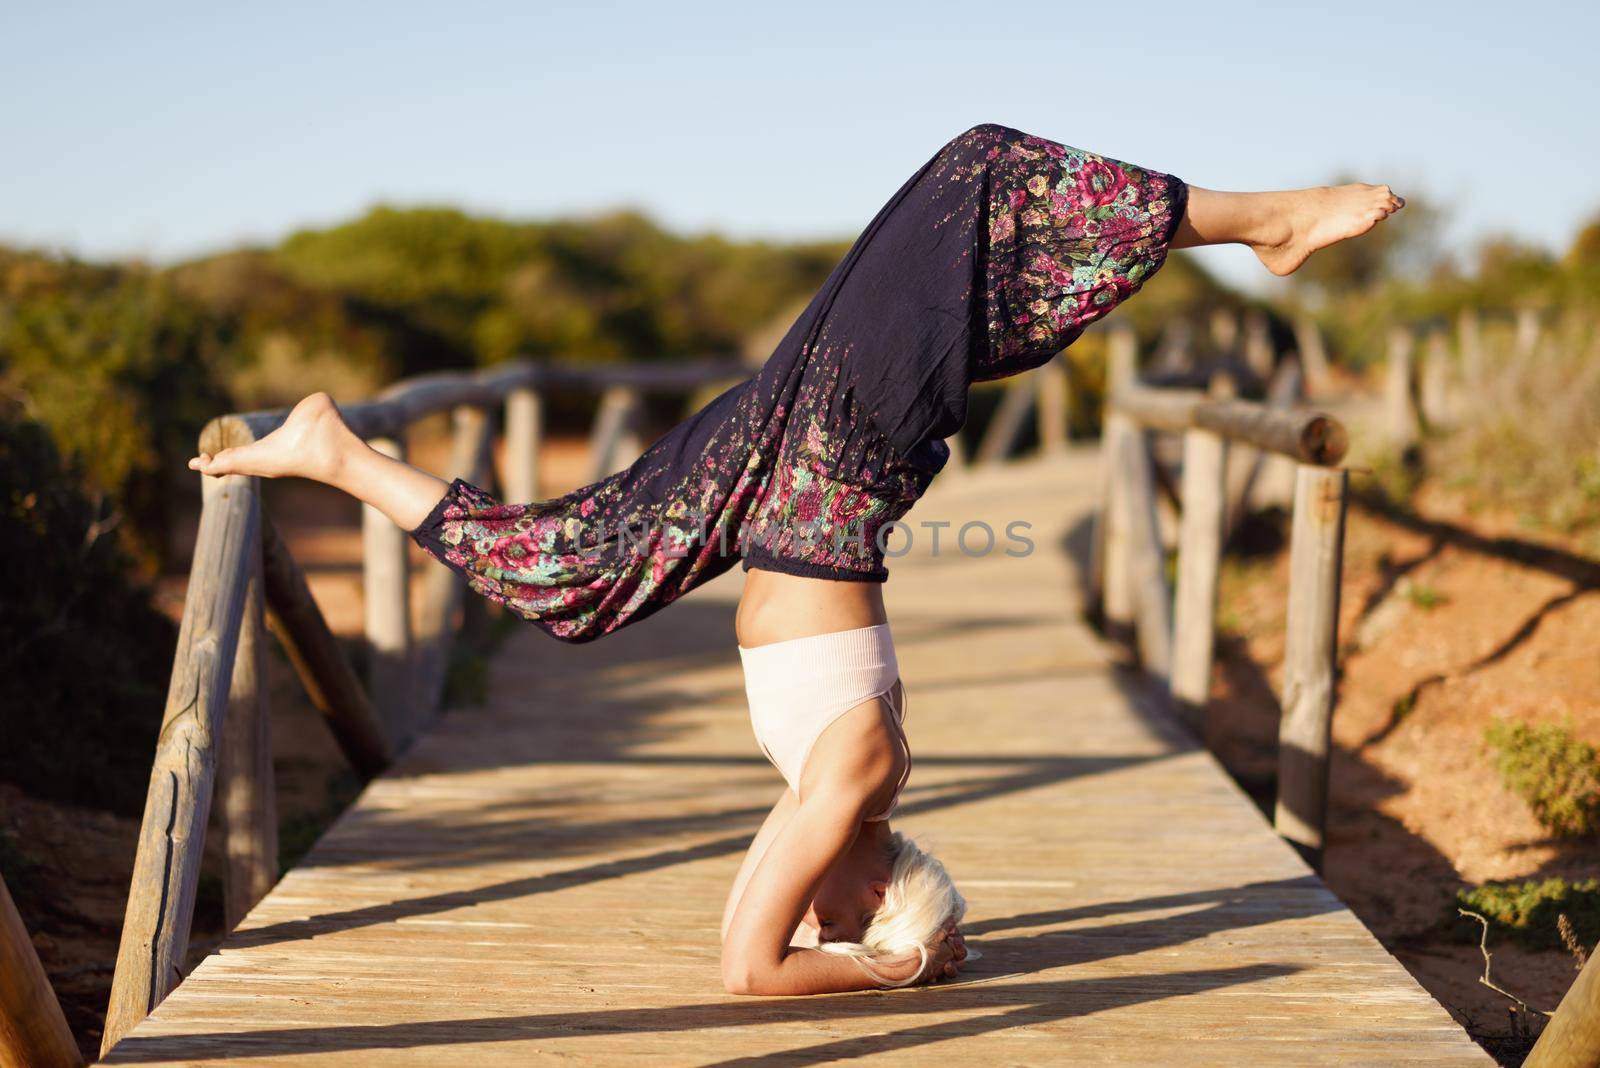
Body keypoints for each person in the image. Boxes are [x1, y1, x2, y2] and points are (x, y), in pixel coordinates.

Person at [188, 122, 1402, 995]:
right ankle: (1267, 222)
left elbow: (743, 954)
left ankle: (335, 454)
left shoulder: (841, 797)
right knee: (981, 174)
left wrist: (868, 965)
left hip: (786, 486)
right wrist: (885, 968)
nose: (805, 908)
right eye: (840, 915)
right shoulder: (859, 775)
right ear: (871, 896)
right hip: (837, 465)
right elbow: (755, 967)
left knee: (567, 579)